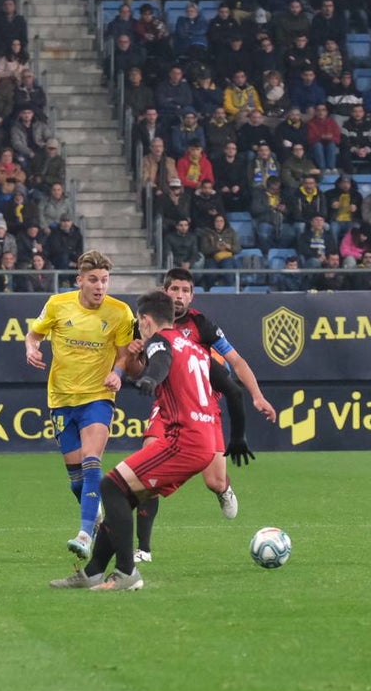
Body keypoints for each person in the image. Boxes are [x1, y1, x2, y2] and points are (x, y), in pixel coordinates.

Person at [49, 291, 221, 592]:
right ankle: (93, 572)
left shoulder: (160, 339)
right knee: (123, 496)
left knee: (109, 486)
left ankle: (127, 572)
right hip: (205, 439)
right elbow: (231, 388)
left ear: (144, 319)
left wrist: (151, 379)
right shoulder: (193, 345)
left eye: (139, 322)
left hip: (184, 440)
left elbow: (161, 362)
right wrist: (240, 434)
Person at [130, 268, 277, 563]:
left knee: (214, 482)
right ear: (165, 291)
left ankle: (224, 489)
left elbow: (235, 361)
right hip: (168, 405)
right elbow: (138, 372)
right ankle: (143, 548)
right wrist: (134, 357)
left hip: (203, 406)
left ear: (192, 295)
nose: (180, 296)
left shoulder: (202, 325)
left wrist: (257, 396)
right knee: (148, 465)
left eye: (185, 290)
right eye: (174, 290)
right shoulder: (146, 325)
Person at [25, 250, 135, 560]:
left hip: (97, 398)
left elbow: (124, 354)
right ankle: (98, 516)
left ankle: (85, 534)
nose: (100, 286)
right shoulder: (58, 305)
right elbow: (33, 336)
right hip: (61, 400)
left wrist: (117, 373)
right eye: (93, 280)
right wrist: (31, 349)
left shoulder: (120, 312)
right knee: (76, 481)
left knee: (91, 463)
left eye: (104, 280)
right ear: (79, 281)